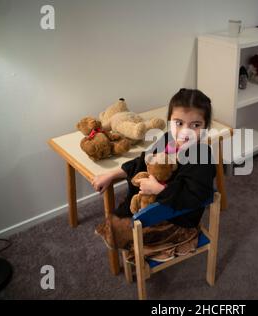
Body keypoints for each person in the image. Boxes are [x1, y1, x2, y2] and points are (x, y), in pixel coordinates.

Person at [92, 88, 216, 262]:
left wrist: (159, 189)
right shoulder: (167, 140)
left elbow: (195, 195)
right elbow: (143, 161)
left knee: (130, 230)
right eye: (178, 123)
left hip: (178, 218)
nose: (184, 132)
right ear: (169, 121)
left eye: (195, 125)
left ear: (205, 128)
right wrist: (112, 174)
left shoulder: (203, 157)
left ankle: (148, 242)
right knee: (119, 218)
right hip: (153, 204)